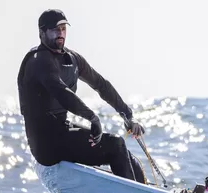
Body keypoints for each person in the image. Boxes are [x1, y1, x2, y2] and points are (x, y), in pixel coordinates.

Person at [17, 8, 146, 186]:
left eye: (63, 29)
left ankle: (144, 189)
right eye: (55, 29)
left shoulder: (71, 59)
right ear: (42, 32)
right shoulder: (39, 61)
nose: (60, 34)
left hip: (62, 131)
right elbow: (60, 91)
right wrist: (92, 117)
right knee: (115, 145)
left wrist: (127, 115)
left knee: (124, 153)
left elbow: (101, 84)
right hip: (45, 143)